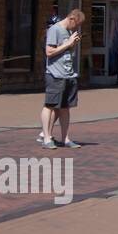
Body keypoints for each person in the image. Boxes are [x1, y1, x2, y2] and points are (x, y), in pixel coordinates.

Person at [41, 9, 86, 149]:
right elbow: (49, 52)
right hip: (55, 75)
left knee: (65, 108)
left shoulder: (68, 32)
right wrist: (68, 44)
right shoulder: (55, 30)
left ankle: (65, 138)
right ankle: (47, 138)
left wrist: (72, 44)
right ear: (72, 18)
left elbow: (65, 52)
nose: (77, 28)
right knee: (50, 105)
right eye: (77, 24)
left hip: (68, 74)